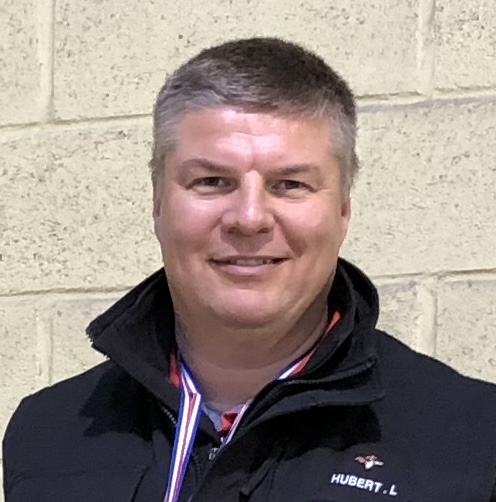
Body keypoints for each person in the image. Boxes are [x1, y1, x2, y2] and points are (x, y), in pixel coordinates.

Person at [3, 37, 496, 502]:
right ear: (158, 203)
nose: (249, 218)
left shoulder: (472, 440)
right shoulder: (50, 434)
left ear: (343, 209)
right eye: (212, 181)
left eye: (290, 184)